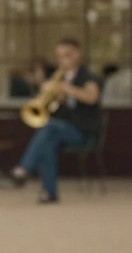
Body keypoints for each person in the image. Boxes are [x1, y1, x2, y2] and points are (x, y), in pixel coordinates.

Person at [9, 38, 102, 203]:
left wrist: (68, 89)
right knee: (47, 142)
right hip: (60, 130)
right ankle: (49, 193)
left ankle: (24, 168)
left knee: (49, 128)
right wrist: (45, 91)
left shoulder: (87, 76)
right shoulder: (57, 77)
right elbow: (50, 107)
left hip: (83, 131)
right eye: (59, 56)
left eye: (67, 55)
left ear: (77, 55)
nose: (63, 59)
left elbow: (92, 97)